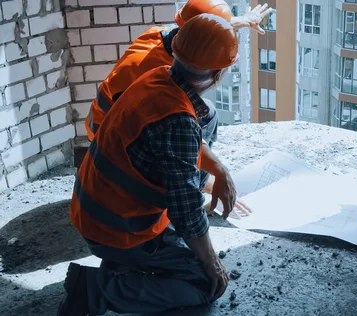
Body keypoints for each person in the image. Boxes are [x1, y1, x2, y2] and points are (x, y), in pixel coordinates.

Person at [58, 14, 239, 315]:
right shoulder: (179, 119)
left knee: (205, 118)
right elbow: (186, 211)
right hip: (117, 230)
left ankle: (123, 266)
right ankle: (97, 291)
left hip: (91, 210)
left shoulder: (155, 77)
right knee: (203, 284)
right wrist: (211, 263)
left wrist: (221, 170)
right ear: (218, 74)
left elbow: (182, 143)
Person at [82, 0, 271, 215]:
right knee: (203, 117)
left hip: (102, 121)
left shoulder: (161, 34)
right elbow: (178, 130)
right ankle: (190, 185)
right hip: (111, 139)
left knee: (205, 111)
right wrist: (216, 173)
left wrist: (242, 21)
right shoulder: (159, 74)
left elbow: (201, 30)